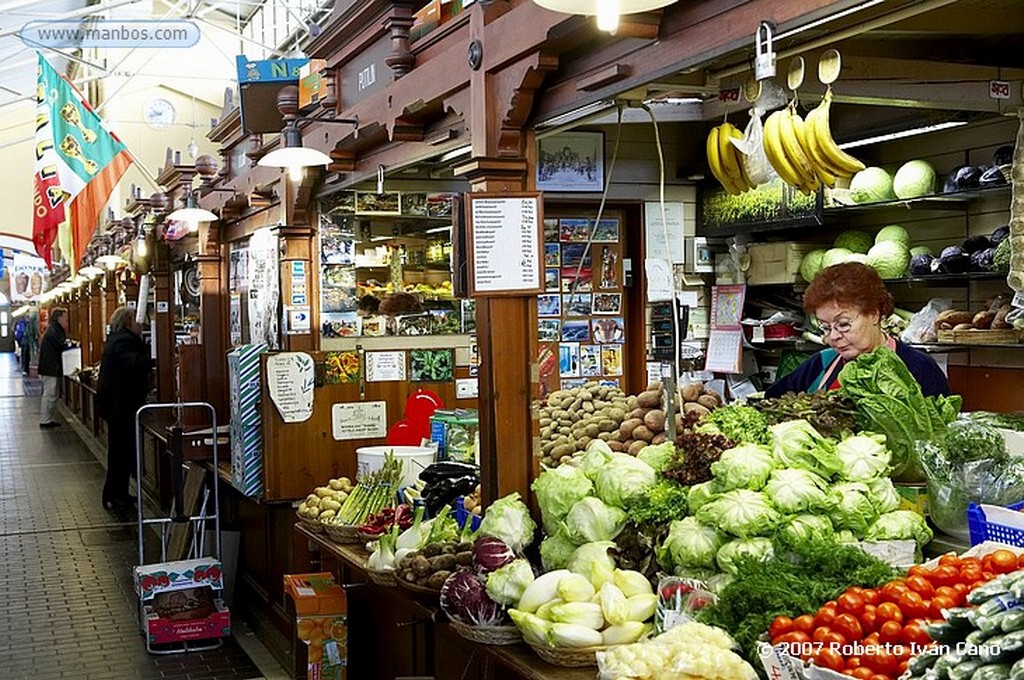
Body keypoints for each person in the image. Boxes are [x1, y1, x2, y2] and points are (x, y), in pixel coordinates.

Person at [766, 262, 950, 398]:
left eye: (844, 324)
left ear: (874, 314)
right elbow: (771, 403)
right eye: (826, 327)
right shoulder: (819, 364)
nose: (833, 337)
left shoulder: (919, 368)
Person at [95, 307, 154, 512]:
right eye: (138, 321)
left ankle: (118, 494)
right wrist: (153, 351)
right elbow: (135, 364)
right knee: (120, 453)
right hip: (120, 407)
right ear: (128, 322)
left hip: (117, 405)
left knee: (120, 453)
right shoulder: (123, 342)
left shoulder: (117, 339)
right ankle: (114, 496)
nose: (141, 325)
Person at [37, 307, 70, 428]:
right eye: (65, 317)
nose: (67, 320)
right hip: (50, 368)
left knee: (51, 394)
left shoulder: (53, 329)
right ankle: (45, 420)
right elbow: (60, 345)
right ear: (59, 318)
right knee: (50, 394)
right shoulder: (55, 330)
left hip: (49, 367)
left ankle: (47, 418)